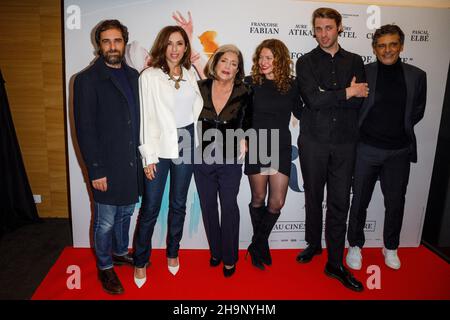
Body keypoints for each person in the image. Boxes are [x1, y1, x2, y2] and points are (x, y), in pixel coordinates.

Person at [295, 7, 368, 292]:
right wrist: (347, 92)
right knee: (313, 196)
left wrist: (334, 96)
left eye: (328, 27)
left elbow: (359, 101)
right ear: (313, 30)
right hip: (313, 141)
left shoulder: (355, 61)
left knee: (340, 202)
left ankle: (335, 263)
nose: (323, 34)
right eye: (318, 28)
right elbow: (312, 101)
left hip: (345, 143)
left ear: (339, 28)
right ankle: (313, 244)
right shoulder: (305, 62)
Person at [346, 24, 427, 271]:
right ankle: (355, 245)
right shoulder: (365, 72)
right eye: (381, 45)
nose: (387, 50)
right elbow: (355, 108)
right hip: (366, 149)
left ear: (401, 46)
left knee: (395, 202)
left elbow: (417, 111)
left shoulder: (417, 75)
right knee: (359, 200)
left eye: (393, 44)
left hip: (399, 151)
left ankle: (390, 246)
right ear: (375, 48)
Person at [73, 19, 142, 295]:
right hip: (106, 165)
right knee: (106, 221)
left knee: (126, 213)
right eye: (106, 41)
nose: (113, 46)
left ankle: (119, 252)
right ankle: (104, 267)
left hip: (130, 163)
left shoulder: (135, 76)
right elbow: (85, 130)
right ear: (99, 45)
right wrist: (96, 169)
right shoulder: (86, 80)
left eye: (117, 40)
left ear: (124, 43)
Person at [133, 26, 203, 287]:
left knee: (178, 204)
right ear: (162, 46)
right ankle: (140, 260)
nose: (174, 49)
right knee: (150, 207)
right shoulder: (149, 76)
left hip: (186, 141)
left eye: (180, 43)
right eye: (170, 43)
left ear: (186, 48)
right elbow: (145, 118)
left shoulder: (190, 73)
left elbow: (198, 108)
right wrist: (147, 156)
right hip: (159, 144)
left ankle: (173, 252)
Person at [244, 39, 302, 270]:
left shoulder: (292, 84)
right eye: (261, 57)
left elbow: (303, 110)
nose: (264, 62)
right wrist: (241, 137)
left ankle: (257, 243)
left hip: (280, 145)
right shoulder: (249, 83)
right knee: (258, 198)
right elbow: (238, 112)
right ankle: (261, 247)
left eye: (269, 57)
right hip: (257, 144)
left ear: (280, 59)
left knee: (276, 202)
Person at [194, 44, 250, 277]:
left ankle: (229, 257)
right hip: (202, 157)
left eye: (234, 63)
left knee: (228, 207)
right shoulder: (200, 87)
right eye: (224, 61)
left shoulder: (245, 91)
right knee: (208, 207)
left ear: (238, 70)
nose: (228, 67)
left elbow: (250, 119)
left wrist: (247, 137)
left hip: (230, 159)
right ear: (215, 63)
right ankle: (215, 252)